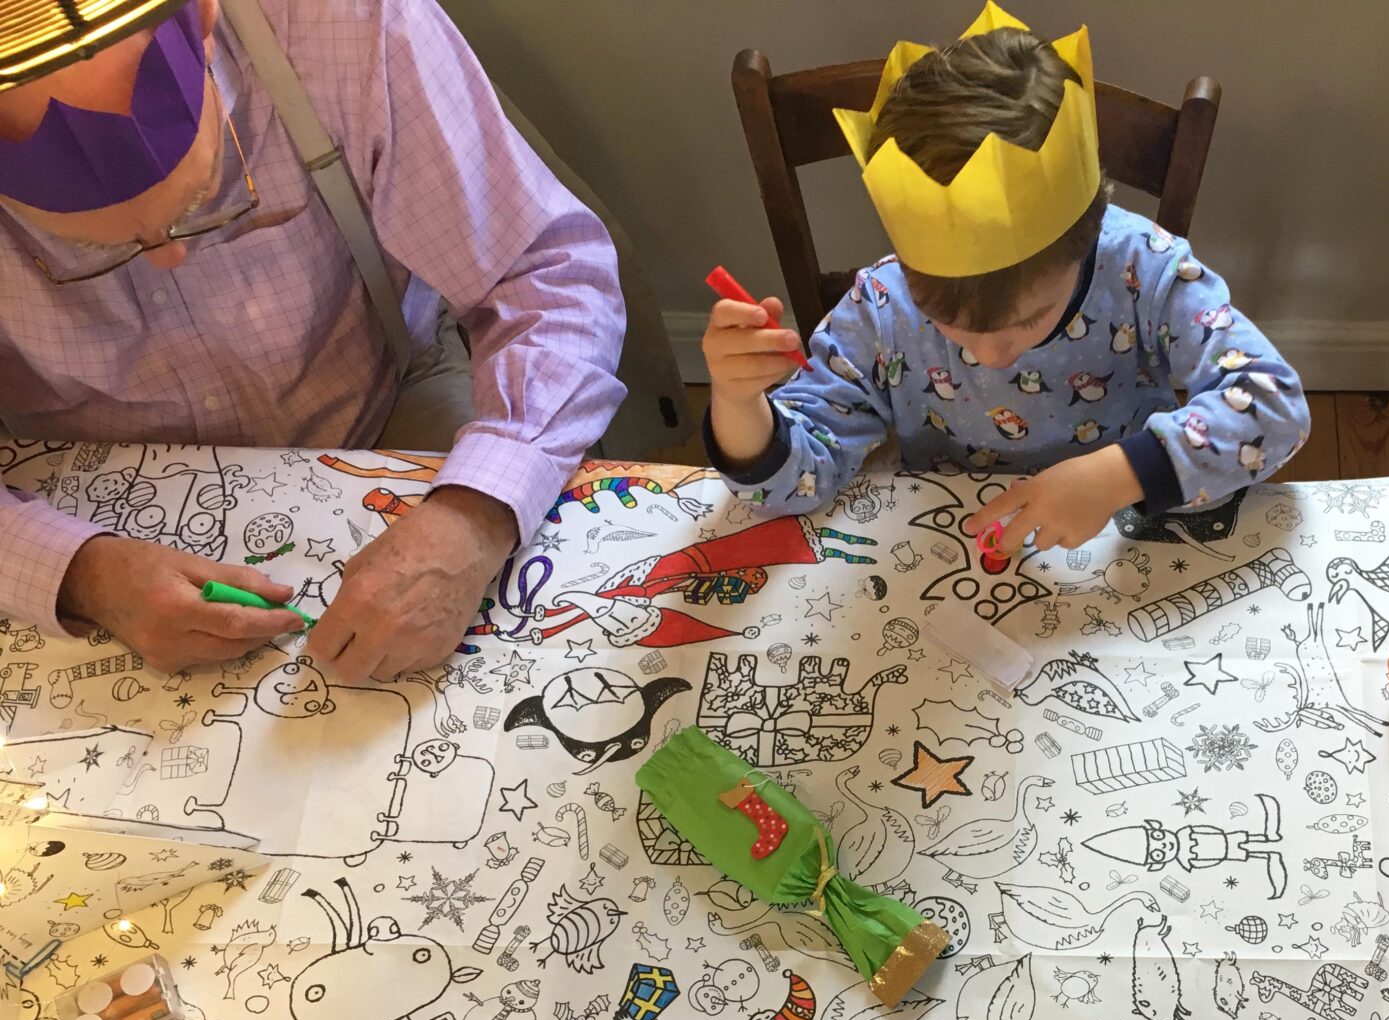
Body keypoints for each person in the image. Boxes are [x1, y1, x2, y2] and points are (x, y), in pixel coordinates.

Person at [0, 0, 625, 680]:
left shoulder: (342, 21)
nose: (168, 257)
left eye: (201, 198)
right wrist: (79, 572)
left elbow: (547, 273)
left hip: (380, 400)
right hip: (73, 479)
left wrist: (475, 514)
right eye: (95, 246)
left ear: (205, 22)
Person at [701, 1, 1309, 555]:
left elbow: (1276, 410)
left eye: (1026, 320)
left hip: (1118, 541)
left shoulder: (1142, 269)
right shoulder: (884, 308)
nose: (990, 357)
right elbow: (793, 484)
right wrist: (737, 402)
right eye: (950, 323)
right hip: (958, 545)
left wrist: (1115, 476)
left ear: (1084, 242)